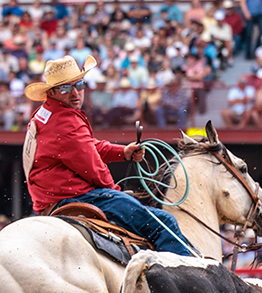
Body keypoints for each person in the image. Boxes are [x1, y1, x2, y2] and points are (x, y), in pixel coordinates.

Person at [21, 55, 191, 255]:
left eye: (79, 85)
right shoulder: (67, 120)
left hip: (49, 198)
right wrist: (115, 191)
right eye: (66, 88)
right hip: (73, 196)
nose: (75, 93)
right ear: (51, 92)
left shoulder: (44, 114)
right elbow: (91, 167)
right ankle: (182, 277)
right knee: (165, 222)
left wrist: (122, 152)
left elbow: (82, 146)